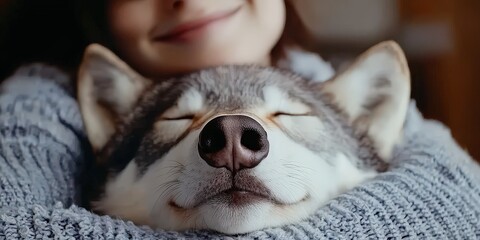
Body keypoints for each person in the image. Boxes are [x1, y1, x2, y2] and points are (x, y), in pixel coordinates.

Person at [1, 0, 479, 238]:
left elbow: (463, 205)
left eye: (288, 114)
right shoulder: (38, 106)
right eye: (176, 121)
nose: (233, 137)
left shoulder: (333, 86)